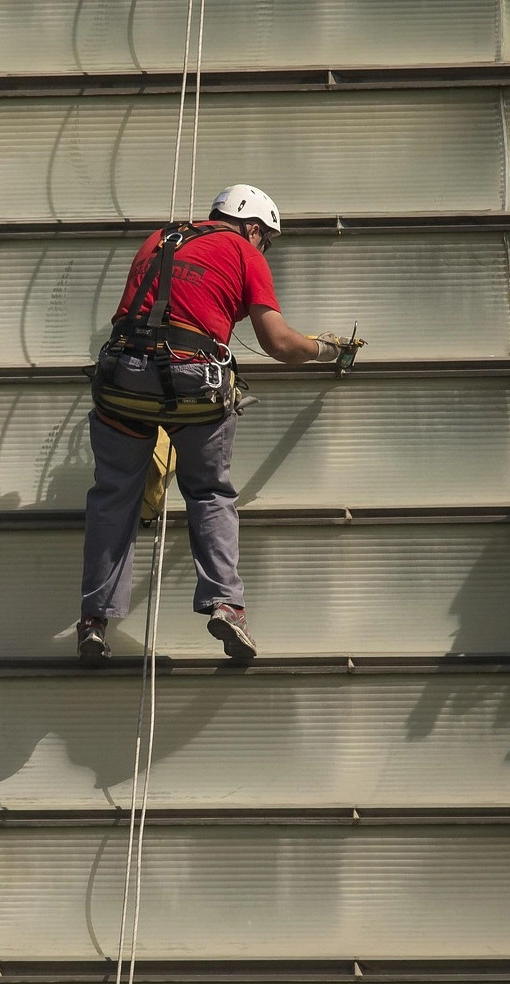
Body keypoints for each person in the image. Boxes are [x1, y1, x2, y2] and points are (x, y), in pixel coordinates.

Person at [77, 183, 361, 665]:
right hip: (192, 384)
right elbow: (280, 344)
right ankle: (226, 606)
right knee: (208, 491)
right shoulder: (244, 252)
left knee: (113, 495)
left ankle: (94, 621)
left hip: (122, 379)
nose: (262, 248)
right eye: (264, 239)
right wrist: (328, 349)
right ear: (252, 227)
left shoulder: (157, 240)